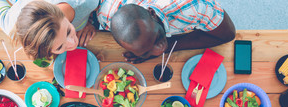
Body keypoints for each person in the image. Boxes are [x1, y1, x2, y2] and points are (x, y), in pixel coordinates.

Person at [96, 0, 236, 63]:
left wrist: (169, 46)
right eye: (144, 51)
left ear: (152, 13)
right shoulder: (105, 14)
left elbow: (228, 34)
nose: (158, 51)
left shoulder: (194, 6)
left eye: (156, 38)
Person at [0, 0, 99, 60]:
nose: (74, 43)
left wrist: (92, 21)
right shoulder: (11, 24)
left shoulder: (88, 2)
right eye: (59, 47)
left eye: (68, 31)